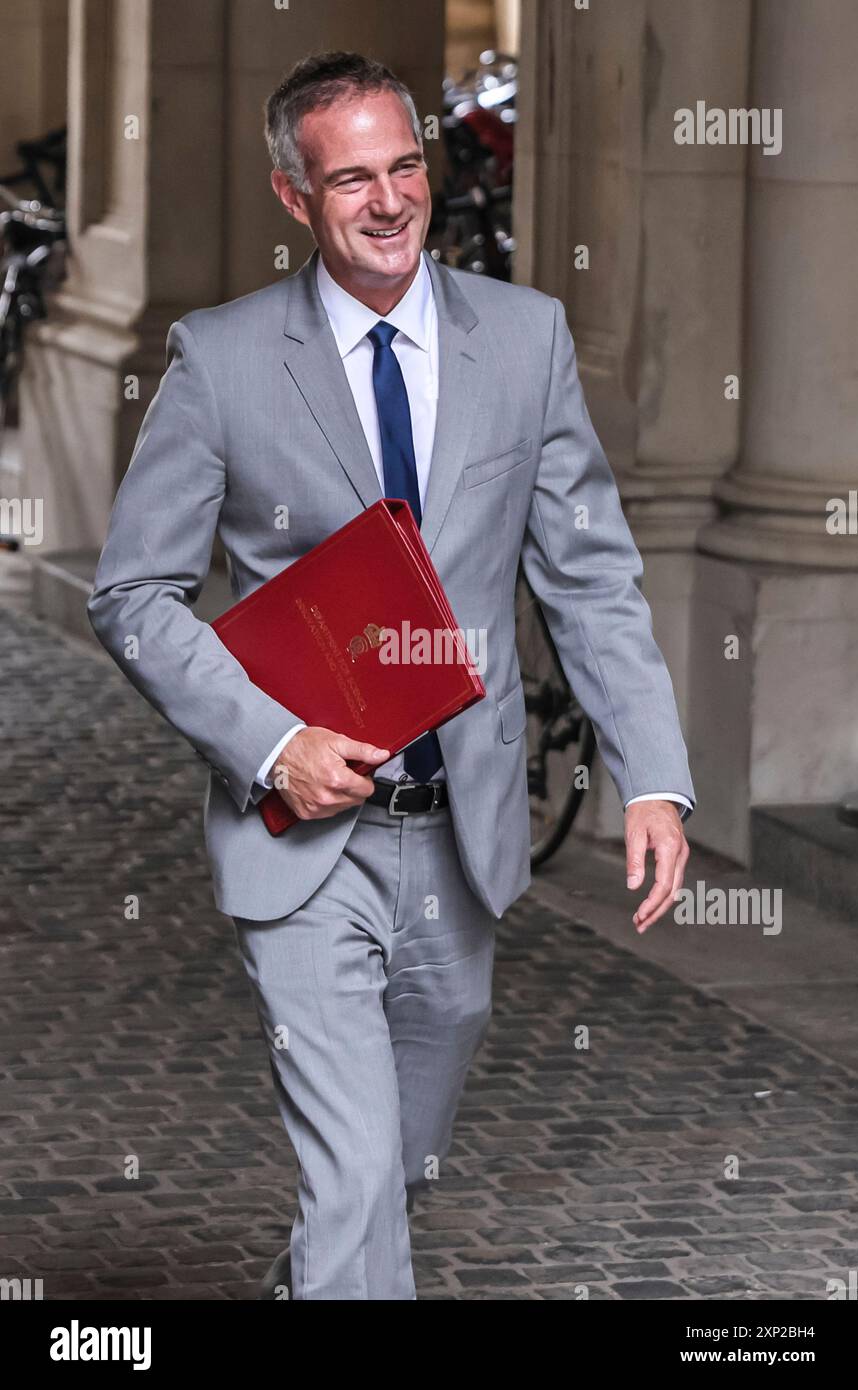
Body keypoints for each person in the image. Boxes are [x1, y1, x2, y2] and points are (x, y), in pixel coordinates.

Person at [87, 50, 694, 1301]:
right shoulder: (222, 359)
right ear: (291, 196)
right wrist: (269, 744)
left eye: (404, 165)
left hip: (459, 835)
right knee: (356, 1174)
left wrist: (652, 776)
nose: (386, 200)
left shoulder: (525, 341)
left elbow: (587, 576)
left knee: (392, 1173)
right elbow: (131, 596)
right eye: (348, 177)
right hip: (307, 836)